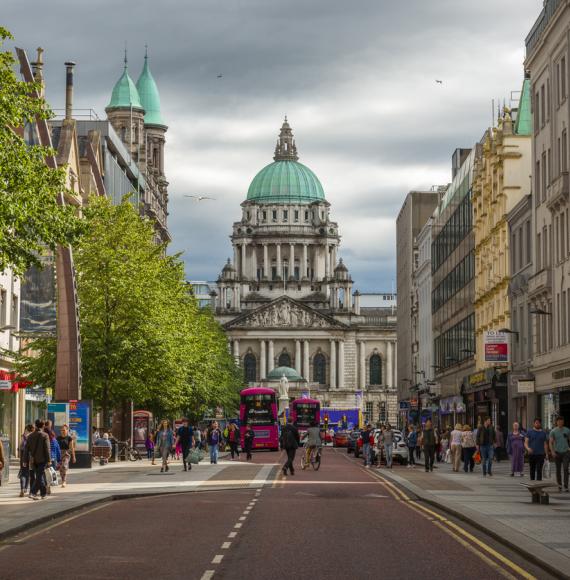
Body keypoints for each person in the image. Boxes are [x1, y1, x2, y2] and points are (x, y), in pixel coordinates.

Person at [27, 419, 51, 500]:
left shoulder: (30, 436)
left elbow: (26, 449)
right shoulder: (45, 435)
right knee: (39, 476)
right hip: (42, 460)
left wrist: (24, 460)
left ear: (36, 425)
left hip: (33, 460)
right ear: (43, 425)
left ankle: (43, 493)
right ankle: (33, 492)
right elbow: (47, 449)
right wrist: (49, 460)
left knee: (39, 476)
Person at [549, 416, 570, 492]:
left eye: (561, 421)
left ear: (563, 422)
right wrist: (552, 451)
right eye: (559, 421)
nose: (560, 423)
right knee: (558, 470)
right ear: (556, 422)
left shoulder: (567, 430)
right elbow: (550, 442)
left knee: (565, 468)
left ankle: (566, 485)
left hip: (566, 452)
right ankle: (559, 485)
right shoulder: (553, 431)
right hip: (557, 452)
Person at [17, 424, 34, 496]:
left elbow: (20, 448)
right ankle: (26, 489)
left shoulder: (23, 437)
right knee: (28, 474)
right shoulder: (33, 436)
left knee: (23, 473)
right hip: (31, 457)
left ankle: (22, 489)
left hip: (23, 457)